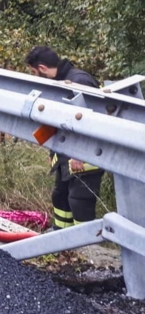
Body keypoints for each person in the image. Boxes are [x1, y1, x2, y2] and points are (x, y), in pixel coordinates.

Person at [25, 46, 104, 230]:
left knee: (79, 201)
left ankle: (85, 242)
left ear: (42, 68)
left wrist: (79, 154)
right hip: (65, 155)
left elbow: (93, 121)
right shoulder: (59, 82)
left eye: (34, 72)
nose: (36, 76)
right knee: (60, 197)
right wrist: (53, 151)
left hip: (85, 156)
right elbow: (58, 121)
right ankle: (60, 236)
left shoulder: (80, 81)